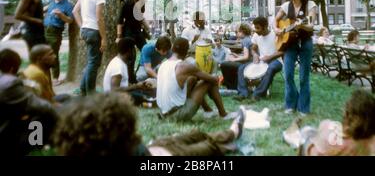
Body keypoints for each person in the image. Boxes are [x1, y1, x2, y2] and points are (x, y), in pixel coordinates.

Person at [53, 92, 246, 156]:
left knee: (193, 134)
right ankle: (231, 134)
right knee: (206, 146)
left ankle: (226, 138)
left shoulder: (114, 144)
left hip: (155, 148)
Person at [156, 37, 235, 121]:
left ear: (172, 48)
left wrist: (195, 79)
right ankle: (223, 114)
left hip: (164, 113)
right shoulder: (184, 66)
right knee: (209, 81)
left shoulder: (163, 64)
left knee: (192, 79)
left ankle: (208, 111)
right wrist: (214, 72)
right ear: (187, 52)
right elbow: (214, 80)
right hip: (177, 115)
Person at [0, 50, 58, 156]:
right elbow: (42, 105)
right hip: (6, 135)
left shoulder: (4, 79)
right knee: (41, 117)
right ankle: (37, 148)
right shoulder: (11, 83)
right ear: (13, 68)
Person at [273, 0, 317, 115]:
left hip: (305, 42)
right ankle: (290, 104)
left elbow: (310, 25)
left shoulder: (310, 5)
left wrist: (302, 25)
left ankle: (303, 107)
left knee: (304, 77)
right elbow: (275, 20)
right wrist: (276, 29)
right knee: (288, 75)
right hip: (289, 43)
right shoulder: (286, 5)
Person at [297, 90, 375, 156]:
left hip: (314, 150)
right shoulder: (369, 140)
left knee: (306, 131)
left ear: (347, 113)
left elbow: (315, 151)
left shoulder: (329, 128)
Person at [73, 0, 112, 96]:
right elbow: (99, 18)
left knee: (91, 62)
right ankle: (90, 92)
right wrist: (104, 38)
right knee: (94, 63)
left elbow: (75, 11)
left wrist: (82, 27)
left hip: (85, 30)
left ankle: (83, 90)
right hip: (94, 31)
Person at [235, 17, 283, 101]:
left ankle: (257, 94)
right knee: (241, 68)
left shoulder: (275, 34)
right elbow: (253, 49)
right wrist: (255, 55)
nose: (255, 30)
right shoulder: (256, 35)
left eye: (258, 28)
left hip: (276, 61)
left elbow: (282, 51)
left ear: (265, 27)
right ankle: (243, 93)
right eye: (255, 27)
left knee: (270, 68)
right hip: (261, 61)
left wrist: (269, 57)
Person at [103, 38, 155, 106]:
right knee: (140, 97)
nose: (134, 53)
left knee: (149, 92)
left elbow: (124, 84)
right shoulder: (118, 66)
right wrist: (136, 86)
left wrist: (140, 85)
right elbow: (114, 90)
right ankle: (149, 103)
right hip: (114, 99)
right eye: (134, 50)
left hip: (121, 94)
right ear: (129, 51)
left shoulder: (121, 62)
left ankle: (149, 100)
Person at [116, 0, 150, 83]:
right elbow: (120, 20)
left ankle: (141, 72)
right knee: (131, 56)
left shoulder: (142, 3)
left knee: (146, 50)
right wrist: (119, 36)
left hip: (138, 31)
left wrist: (147, 28)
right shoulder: (127, 4)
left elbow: (140, 17)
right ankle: (131, 79)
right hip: (128, 31)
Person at [44, 0, 74, 85]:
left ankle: (55, 78)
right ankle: (44, 76)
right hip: (44, 30)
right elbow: (47, 9)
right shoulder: (52, 0)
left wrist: (61, 15)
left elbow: (70, 20)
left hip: (54, 33)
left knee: (53, 55)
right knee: (42, 53)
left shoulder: (68, 5)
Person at [220, 23, 252, 90]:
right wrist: (237, 56)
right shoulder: (248, 39)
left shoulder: (245, 41)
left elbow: (246, 57)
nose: (236, 34)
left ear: (242, 31)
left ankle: (231, 86)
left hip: (248, 64)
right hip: (250, 62)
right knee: (228, 63)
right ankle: (233, 85)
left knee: (224, 65)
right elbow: (248, 56)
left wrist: (234, 59)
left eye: (237, 32)